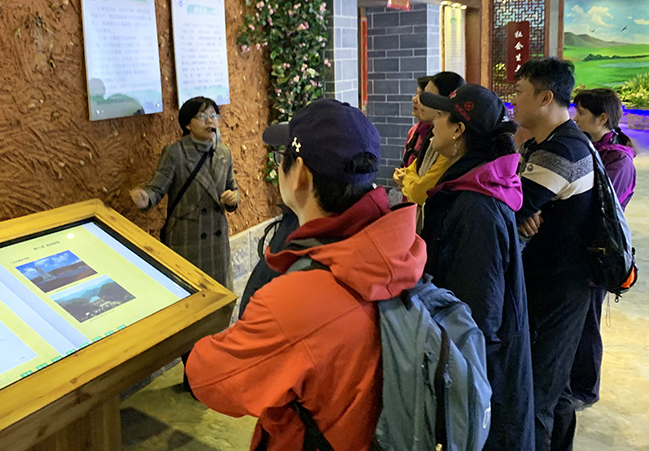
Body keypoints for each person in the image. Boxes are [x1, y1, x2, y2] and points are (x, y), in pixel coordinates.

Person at [185, 98, 427, 450]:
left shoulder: (294, 302)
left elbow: (209, 380)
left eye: (281, 157)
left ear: (299, 173)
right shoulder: (402, 250)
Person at [419, 84, 535, 450]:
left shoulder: (476, 210)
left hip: (486, 388)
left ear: (458, 130)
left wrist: (459, 395)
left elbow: (477, 321)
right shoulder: (471, 187)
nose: (432, 123)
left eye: (440, 116)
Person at [512, 57, 595, 451]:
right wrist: (520, 208)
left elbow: (510, 207)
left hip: (558, 287)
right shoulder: (542, 144)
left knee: (539, 394)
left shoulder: (563, 149)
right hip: (553, 282)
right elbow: (518, 204)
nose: (513, 100)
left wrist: (519, 209)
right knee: (555, 386)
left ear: (545, 98)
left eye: (519, 92)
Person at [569, 88, 637, 410]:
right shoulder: (588, 146)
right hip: (580, 246)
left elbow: (601, 205)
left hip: (599, 250)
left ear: (602, 118)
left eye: (582, 113)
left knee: (587, 323)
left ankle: (585, 389)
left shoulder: (618, 160)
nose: (575, 118)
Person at [129, 96, 240, 289]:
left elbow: (233, 187)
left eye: (213, 115)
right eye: (202, 116)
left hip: (217, 243)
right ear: (187, 124)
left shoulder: (224, 153)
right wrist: (145, 198)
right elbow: (156, 188)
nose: (210, 120)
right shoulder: (175, 153)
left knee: (219, 294)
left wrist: (233, 198)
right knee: (190, 293)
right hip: (187, 239)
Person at [393, 72, 465, 229]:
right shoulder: (428, 138)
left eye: (441, 114)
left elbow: (421, 192)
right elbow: (411, 169)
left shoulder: (450, 150)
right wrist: (411, 179)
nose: (417, 101)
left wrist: (407, 180)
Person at [402, 75, 433, 169]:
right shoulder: (414, 131)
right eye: (416, 94)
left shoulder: (440, 135)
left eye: (421, 95)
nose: (414, 99)